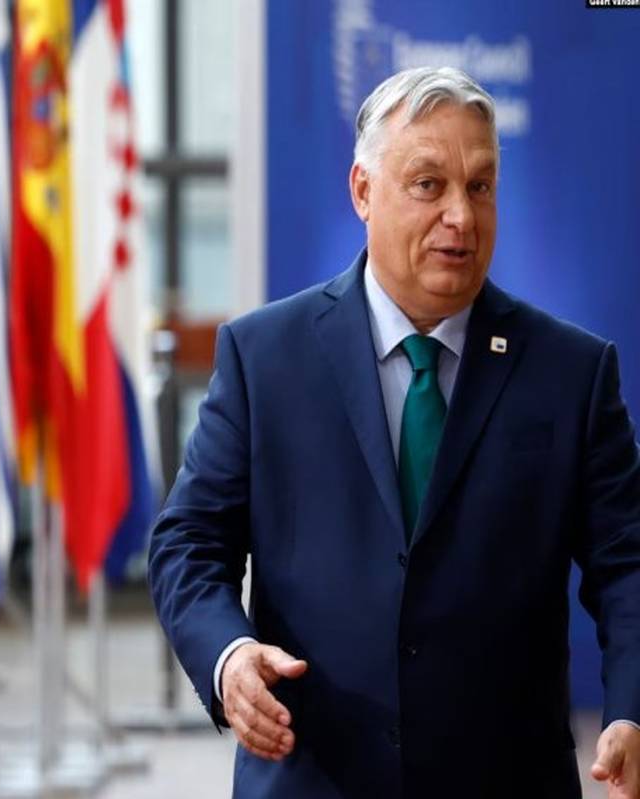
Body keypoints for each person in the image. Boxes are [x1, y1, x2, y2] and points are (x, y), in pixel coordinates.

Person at [148, 66, 640, 798]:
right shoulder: (264, 357)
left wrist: (632, 707)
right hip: (313, 777)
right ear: (363, 190)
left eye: (480, 186)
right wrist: (229, 656)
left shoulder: (571, 372)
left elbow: (627, 562)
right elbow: (188, 542)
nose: (461, 217)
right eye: (428, 185)